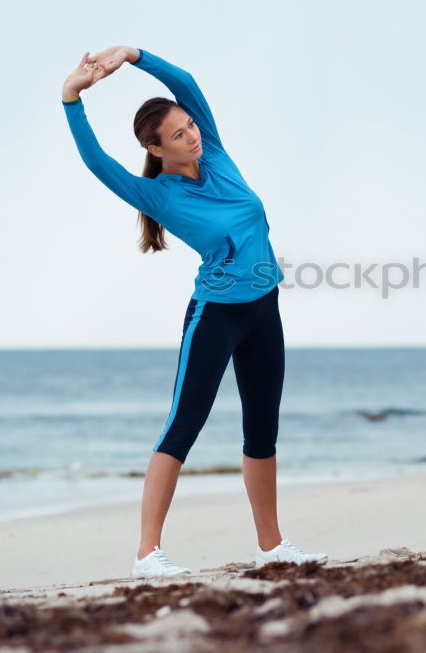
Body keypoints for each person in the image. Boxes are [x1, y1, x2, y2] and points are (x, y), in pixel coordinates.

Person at [60, 46, 328, 576]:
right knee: (184, 426)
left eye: (190, 126)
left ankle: (272, 547)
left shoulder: (219, 155)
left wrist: (133, 56)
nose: (192, 135)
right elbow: (95, 161)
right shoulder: (156, 196)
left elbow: (184, 81)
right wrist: (72, 96)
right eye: (179, 134)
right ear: (156, 150)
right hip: (216, 317)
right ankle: (147, 555)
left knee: (262, 431)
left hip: (264, 310)